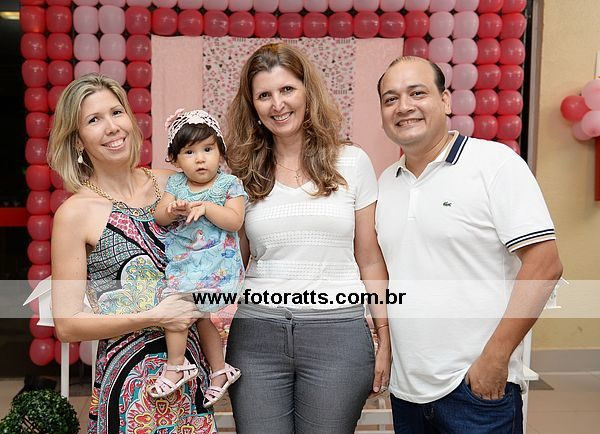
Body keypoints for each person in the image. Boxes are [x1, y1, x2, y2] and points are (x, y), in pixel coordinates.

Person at [375, 56, 563, 433]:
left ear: (445, 100)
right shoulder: (385, 182)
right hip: (407, 392)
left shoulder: (494, 164)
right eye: (390, 99)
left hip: (474, 390)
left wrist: (495, 359)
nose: (404, 106)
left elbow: (545, 264)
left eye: (417, 93)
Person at [224, 42, 391, 434]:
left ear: (307, 92)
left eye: (287, 89)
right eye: (264, 95)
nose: (277, 104)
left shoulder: (352, 162)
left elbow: (369, 258)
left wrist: (384, 337)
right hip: (257, 336)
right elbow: (232, 263)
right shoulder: (240, 172)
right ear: (252, 105)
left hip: (338, 336)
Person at [48, 74, 217, 433]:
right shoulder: (75, 214)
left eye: (116, 112)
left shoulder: (174, 183)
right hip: (129, 392)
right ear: (78, 140)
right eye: (94, 120)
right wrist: (154, 316)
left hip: (192, 381)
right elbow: (67, 324)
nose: (112, 127)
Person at [150, 108, 246, 406]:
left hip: (217, 266)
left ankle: (176, 366)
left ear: (220, 152)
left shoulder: (229, 184)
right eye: (189, 152)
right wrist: (172, 210)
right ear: (175, 159)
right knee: (199, 318)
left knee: (177, 311)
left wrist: (206, 206)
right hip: (186, 264)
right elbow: (160, 217)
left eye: (207, 149)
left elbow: (235, 221)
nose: (200, 159)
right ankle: (219, 370)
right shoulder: (177, 185)